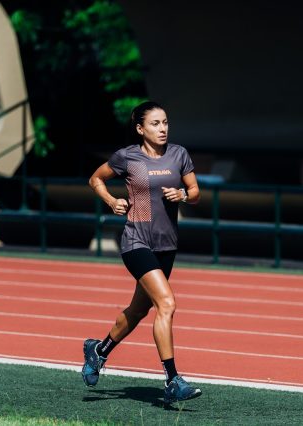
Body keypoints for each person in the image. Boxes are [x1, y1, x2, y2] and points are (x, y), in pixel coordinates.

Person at [82, 101, 202, 404]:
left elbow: (196, 193)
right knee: (167, 303)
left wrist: (183, 194)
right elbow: (95, 179)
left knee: (138, 310)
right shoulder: (127, 157)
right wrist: (112, 201)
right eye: (155, 124)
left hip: (167, 245)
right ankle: (172, 380)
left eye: (165, 123)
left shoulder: (179, 154)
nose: (162, 129)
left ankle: (98, 350)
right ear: (140, 129)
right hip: (137, 242)